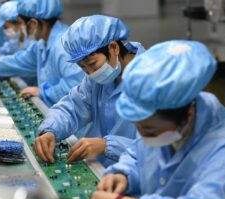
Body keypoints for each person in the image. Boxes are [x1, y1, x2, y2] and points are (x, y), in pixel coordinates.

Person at [89, 40, 225, 199]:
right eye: (138, 127)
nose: (143, 136)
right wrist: (123, 175)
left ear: (188, 115)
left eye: (149, 130)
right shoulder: (159, 118)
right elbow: (137, 155)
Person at [34, 15, 145, 167]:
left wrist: (107, 145)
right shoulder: (96, 79)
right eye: (83, 67)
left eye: (92, 64)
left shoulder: (150, 80)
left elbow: (157, 147)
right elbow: (73, 107)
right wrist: (50, 130)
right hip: (100, 168)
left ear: (113, 48)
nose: (90, 73)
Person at [0, 0, 84, 105]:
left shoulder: (65, 45)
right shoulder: (42, 44)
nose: (21, 29)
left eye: (22, 23)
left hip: (80, 130)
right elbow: (18, 61)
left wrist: (44, 93)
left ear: (33, 23)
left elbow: (76, 86)